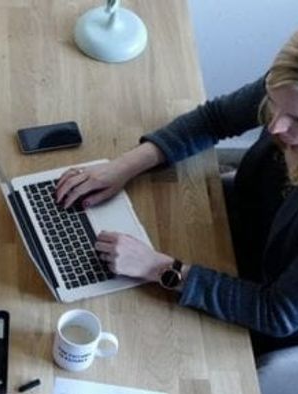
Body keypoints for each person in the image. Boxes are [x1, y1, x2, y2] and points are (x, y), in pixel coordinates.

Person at [55, 30, 298, 360]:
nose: (275, 128)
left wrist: (159, 269)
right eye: (274, 105)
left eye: (296, 120)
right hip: (231, 232)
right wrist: (123, 167)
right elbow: (215, 119)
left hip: (253, 305)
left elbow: (275, 313)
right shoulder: (288, 89)